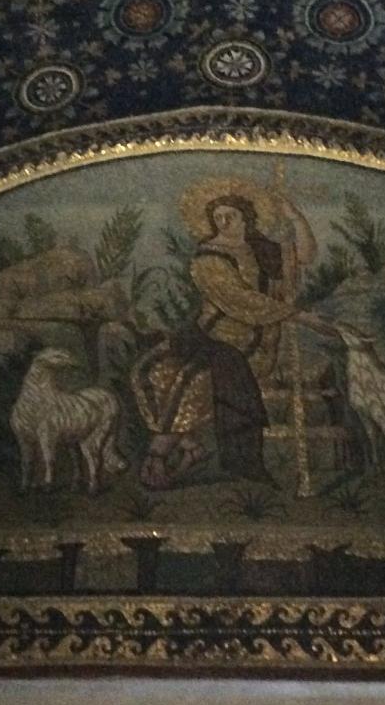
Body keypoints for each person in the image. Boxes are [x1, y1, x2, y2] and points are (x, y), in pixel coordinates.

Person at [131, 177, 321, 489]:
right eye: (217, 217)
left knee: (193, 378)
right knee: (153, 369)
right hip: (211, 335)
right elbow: (237, 300)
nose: (223, 222)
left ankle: (166, 454)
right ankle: (182, 445)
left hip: (253, 344)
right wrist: (298, 315)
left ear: (246, 218)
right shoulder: (207, 258)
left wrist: (296, 218)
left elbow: (305, 255)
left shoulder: (264, 251)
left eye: (229, 216)